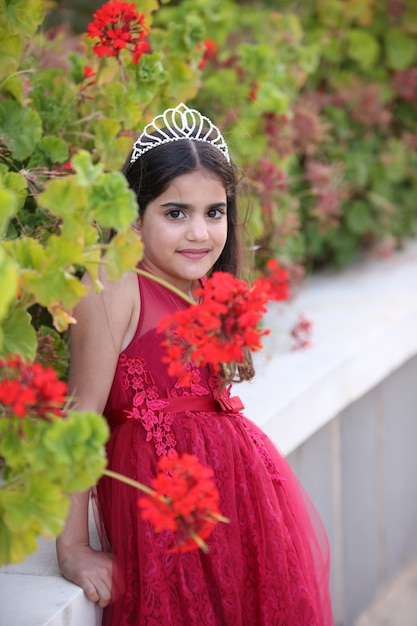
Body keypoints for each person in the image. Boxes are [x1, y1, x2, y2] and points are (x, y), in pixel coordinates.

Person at [56, 103, 334, 625]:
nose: (200, 233)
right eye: (175, 213)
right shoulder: (116, 286)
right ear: (136, 215)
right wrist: (72, 548)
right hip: (164, 515)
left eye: (214, 212)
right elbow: (81, 419)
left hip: (238, 499)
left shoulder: (206, 290)